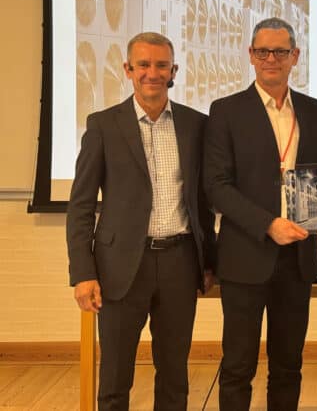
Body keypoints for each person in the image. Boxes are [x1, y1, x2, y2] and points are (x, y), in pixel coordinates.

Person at [66, 31, 216, 411]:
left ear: (174, 71)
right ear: (128, 69)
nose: (153, 72)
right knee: (115, 380)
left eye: (161, 65)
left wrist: (208, 262)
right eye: (144, 64)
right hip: (119, 268)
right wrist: (83, 273)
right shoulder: (103, 125)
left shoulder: (196, 125)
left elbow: (202, 202)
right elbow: (81, 206)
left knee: (175, 377)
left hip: (180, 263)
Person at [204, 17, 317, 410]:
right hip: (244, 257)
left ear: (295, 56)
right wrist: (268, 225)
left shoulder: (316, 111)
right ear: (250, 55)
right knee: (238, 366)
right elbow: (216, 186)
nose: (271, 59)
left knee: (288, 366)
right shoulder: (226, 111)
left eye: (280, 51)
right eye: (263, 51)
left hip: (298, 258)